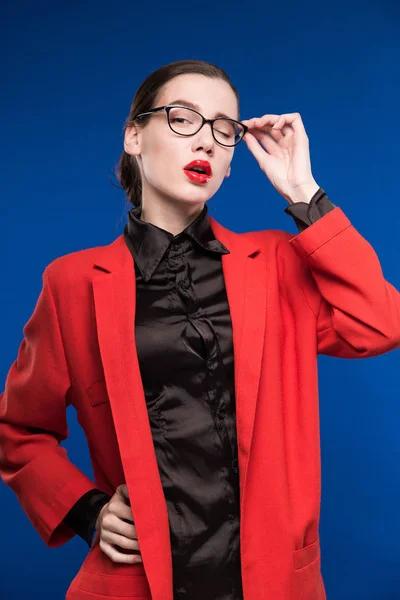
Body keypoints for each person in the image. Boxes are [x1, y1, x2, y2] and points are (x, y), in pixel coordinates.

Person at [1, 59, 399, 600]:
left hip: (274, 581)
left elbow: (381, 322)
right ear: (134, 136)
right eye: (184, 118)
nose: (207, 142)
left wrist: (304, 194)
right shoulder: (73, 283)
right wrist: (87, 509)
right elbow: (19, 432)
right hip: (136, 581)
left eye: (224, 129)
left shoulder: (278, 262)